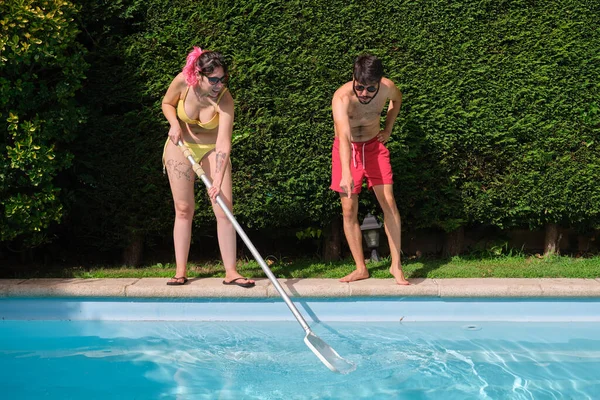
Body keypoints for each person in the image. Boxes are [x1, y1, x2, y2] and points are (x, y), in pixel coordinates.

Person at [161, 47, 255, 288]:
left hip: (213, 148)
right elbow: (167, 103)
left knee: (224, 208)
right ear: (198, 75)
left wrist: (217, 179)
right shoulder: (183, 82)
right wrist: (174, 124)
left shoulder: (224, 98)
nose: (219, 84)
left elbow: (224, 141)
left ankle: (231, 272)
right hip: (181, 145)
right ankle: (180, 271)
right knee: (183, 208)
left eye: (223, 79)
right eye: (213, 79)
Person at [330, 54, 409, 285]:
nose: (363, 93)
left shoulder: (388, 88)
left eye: (370, 88)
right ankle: (360, 267)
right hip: (348, 150)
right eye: (359, 87)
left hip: (374, 147)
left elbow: (397, 101)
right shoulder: (342, 97)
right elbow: (343, 136)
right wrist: (346, 172)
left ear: (380, 82)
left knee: (389, 202)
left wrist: (388, 128)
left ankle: (395, 265)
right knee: (348, 209)